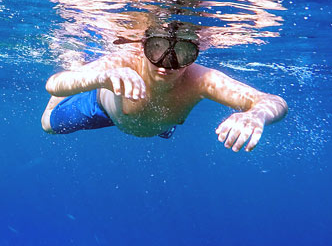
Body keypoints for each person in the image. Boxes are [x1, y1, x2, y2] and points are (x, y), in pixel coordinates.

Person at [41, 22, 288, 152]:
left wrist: (257, 114)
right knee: (47, 125)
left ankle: (165, 125)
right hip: (101, 110)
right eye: (157, 50)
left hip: (156, 122)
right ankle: (79, 63)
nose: (166, 64)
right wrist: (99, 79)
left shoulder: (202, 79)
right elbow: (54, 83)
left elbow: (273, 101)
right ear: (143, 47)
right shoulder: (122, 62)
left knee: (164, 125)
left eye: (182, 53)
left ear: (195, 54)